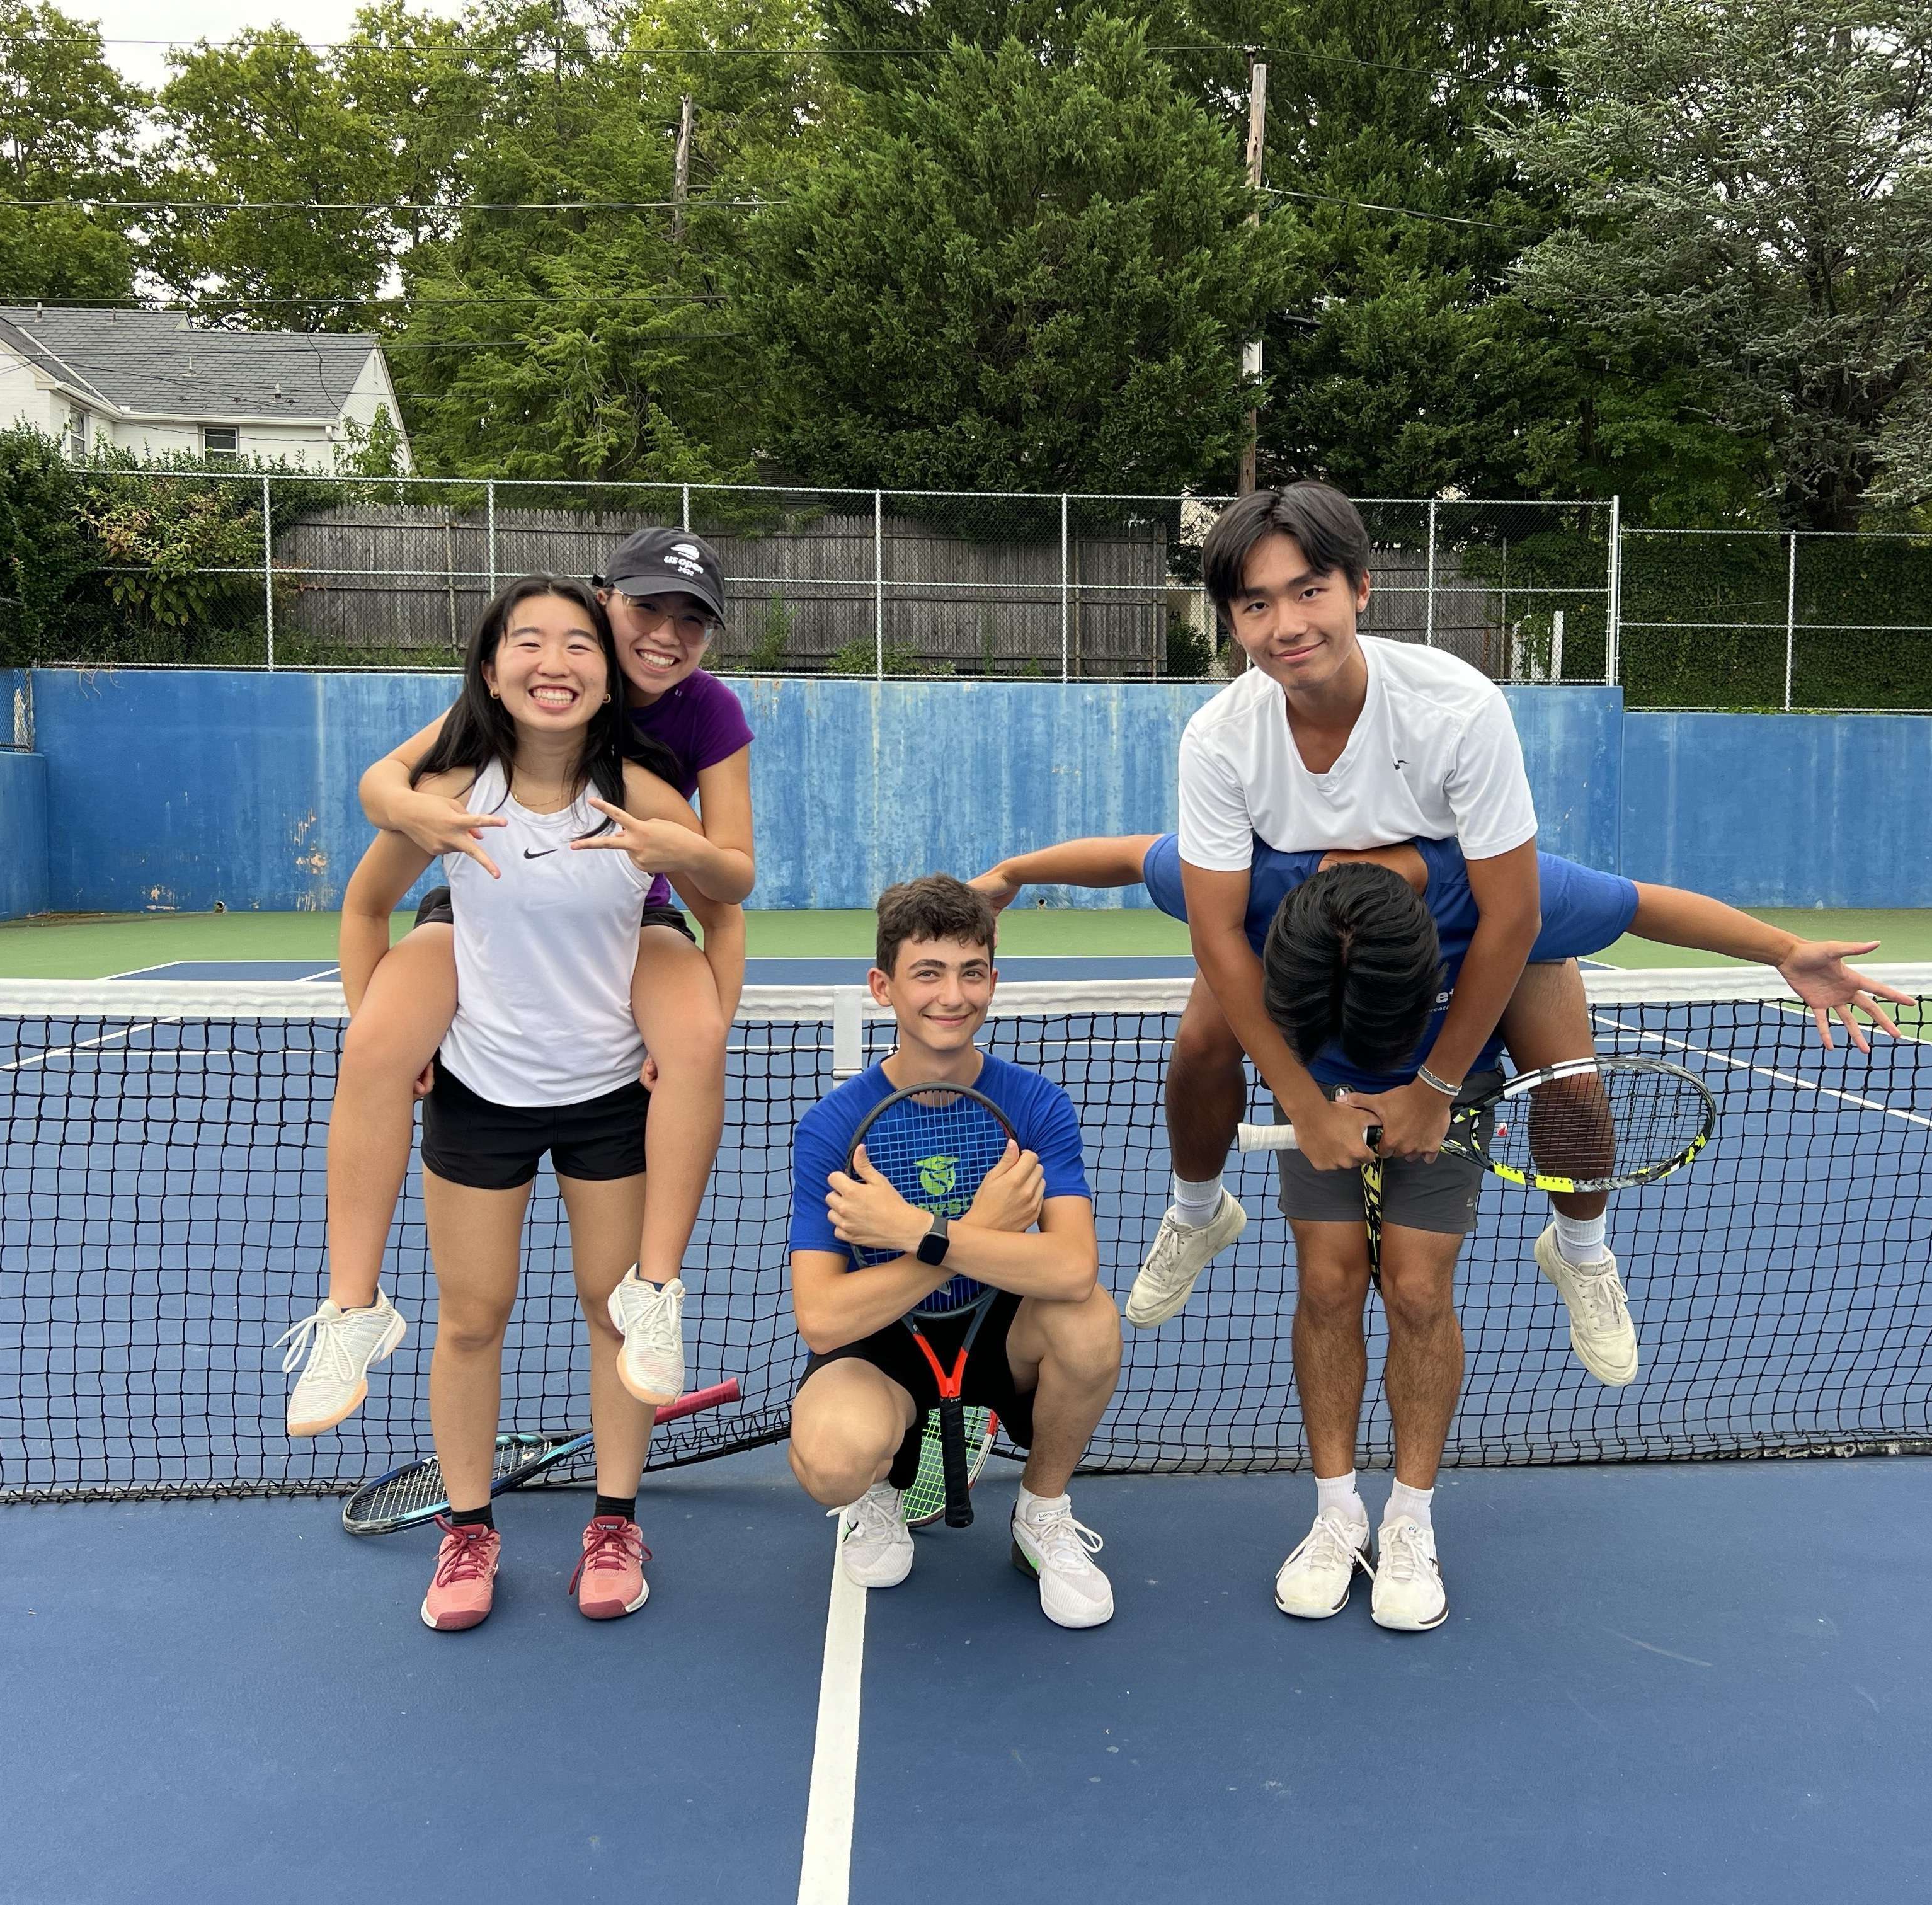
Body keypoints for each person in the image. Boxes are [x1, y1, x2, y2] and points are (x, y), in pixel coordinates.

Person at [971, 832, 1912, 1359]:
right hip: (1311, 975)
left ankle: (1580, 1249)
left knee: (1578, 1096)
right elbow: (1135, 858)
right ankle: (1197, 1211)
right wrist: (1014, 875)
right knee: (1199, 1044)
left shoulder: (1514, 889)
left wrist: (1784, 949)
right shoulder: (1249, 880)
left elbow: (1649, 904)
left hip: (1496, 976)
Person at [279, 529, 753, 1440]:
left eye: (691, 619)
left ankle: (656, 1292)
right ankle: (352, 1306)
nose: (665, 633)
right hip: (482, 906)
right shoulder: (497, 717)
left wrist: (680, 854)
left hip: (635, 907)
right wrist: (413, 811)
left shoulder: (701, 719)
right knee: (376, 1040)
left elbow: (730, 883)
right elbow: (384, 790)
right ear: (603, 603)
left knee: (695, 1040)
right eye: (646, 607)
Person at [1173, 479, 1543, 1634]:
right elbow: (1218, 941)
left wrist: (1435, 1088)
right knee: (1330, 1282)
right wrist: (1301, 1094)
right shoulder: (1220, 736)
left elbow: (1516, 919)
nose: (1286, 623)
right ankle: (1337, 1510)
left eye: (1309, 589)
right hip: (1315, 1027)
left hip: (1443, 1016)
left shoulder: (1455, 708)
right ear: (1230, 622)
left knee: (1418, 1287)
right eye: (1254, 603)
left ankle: (1412, 1518)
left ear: (1360, 587)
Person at [331, 575, 723, 1630]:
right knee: (472, 1316)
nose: (555, 662)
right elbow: (367, 903)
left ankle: (614, 1520)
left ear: (608, 673)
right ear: (492, 667)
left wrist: (683, 864)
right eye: (527, 642)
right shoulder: (451, 791)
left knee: (615, 1313)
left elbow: (723, 890)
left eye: (578, 645)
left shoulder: (641, 787)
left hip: (606, 1090)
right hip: (479, 1088)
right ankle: (467, 1528)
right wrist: (394, 1033)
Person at [782, 876, 1124, 1630]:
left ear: (993, 982)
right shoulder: (833, 1128)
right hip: (881, 1343)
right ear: (884, 987)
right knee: (834, 1459)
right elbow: (823, 1319)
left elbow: (1072, 1269)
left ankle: (1041, 1514)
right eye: (928, 973)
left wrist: (921, 1230)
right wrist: (975, 1232)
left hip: (1001, 1331)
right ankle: (878, 1496)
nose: (952, 994)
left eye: (972, 972)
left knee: (1091, 1321)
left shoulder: (1036, 1105)